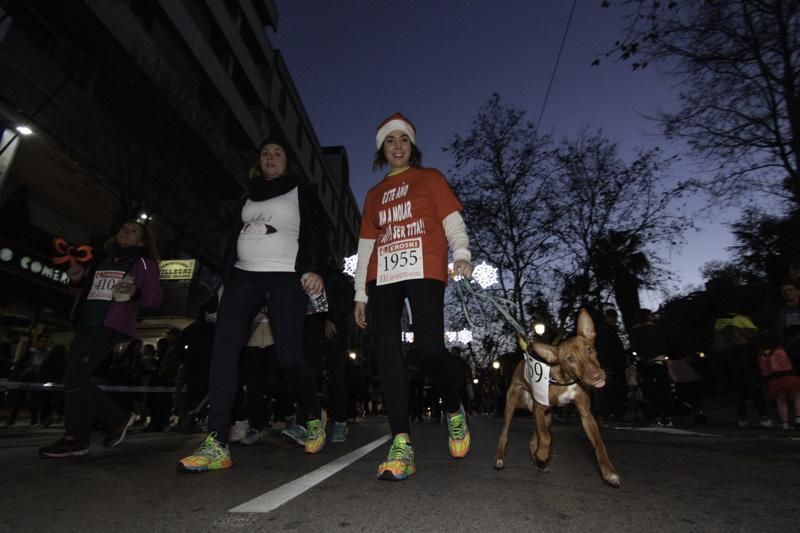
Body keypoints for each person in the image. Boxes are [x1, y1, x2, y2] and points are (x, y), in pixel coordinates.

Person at [177, 136, 329, 473]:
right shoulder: (247, 196)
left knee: (289, 355)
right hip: (243, 278)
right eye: (265, 153)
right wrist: (225, 281)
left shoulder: (301, 192)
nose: (270, 157)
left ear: (288, 162)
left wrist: (314, 269)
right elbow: (234, 240)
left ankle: (312, 412)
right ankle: (217, 442)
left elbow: (316, 231)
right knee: (224, 352)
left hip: (286, 277)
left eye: (277, 153)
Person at [353, 112, 474, 481]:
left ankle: (453, 408)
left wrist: (463, 255)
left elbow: (452, 221)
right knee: (388, 351)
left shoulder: (430, 178)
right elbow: (366, 245)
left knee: (429, 349)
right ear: (382, 150)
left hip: (425, 268)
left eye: (403, 140)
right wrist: (360, 292)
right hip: (383, 276)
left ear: (412, 146)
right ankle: (401, 441)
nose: (398, 147)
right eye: (390, 141)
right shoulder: (374, 195)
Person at [39, 220, 163, 457]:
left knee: (75, 375)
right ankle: (79, 437)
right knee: (72, 378)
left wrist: (135, 292)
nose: (126, 232)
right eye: (123, 228)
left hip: (110, 325)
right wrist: (76, 279)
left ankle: (110, 420)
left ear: (142, 241)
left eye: (133, 231)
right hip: (85, 323)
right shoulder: (100, 258)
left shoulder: (145, 264)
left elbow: (155, 298)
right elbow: (82, 290)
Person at [629, 309, 674, 426]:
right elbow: (663, 344)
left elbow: (634, 347)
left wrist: (642, 356)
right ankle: (665, 412)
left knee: (649, 389)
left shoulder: (635, 330)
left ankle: (654, 413)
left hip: (645, 362)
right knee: (661, 387)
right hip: (657, 361)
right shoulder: (655, 329)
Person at [594, 308, 628, 421]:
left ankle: (612, 412)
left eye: (615, 317)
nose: (614, 319)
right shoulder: (605, 331)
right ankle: (610, 412)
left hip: (612, 364)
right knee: (610, 390)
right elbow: (606, 349)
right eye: (612, 317)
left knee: (612, 389)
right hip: (610, 364)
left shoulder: (609, 331)